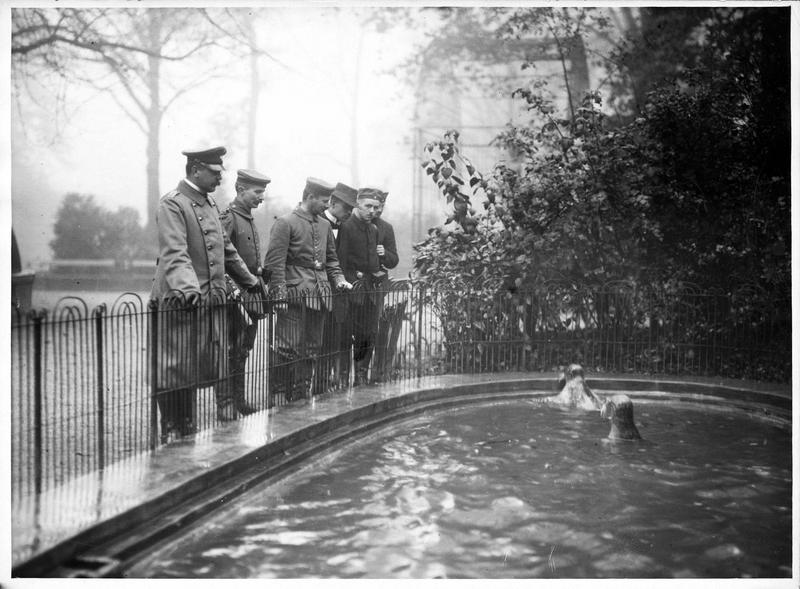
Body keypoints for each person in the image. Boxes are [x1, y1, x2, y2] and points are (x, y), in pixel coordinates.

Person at [150, 146, 259, 441]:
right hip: (180, 302)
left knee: (200, 365)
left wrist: (250, 281)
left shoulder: (209, 204)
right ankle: (174, 431)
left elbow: (226, 249)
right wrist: (188, 291)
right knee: (175, 367)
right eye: (214, 173)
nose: (219, 179)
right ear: (195, 169)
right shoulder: (172, 205)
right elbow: (175, 253)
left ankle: (186, 429)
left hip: (208, 302)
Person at [263, 177, 352, 402]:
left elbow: (331, 260)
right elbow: (275, 264)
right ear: (310, 197)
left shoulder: (324, 225)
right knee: (286, 348)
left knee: (312, 349)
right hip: (293, 297)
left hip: (320, 297)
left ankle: (300, 397)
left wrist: (339, 279)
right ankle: (279, 397)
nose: (326, 205)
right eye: (323, 200)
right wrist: (280, 296)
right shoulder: (286, 222)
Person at [218, 168, 271, 418]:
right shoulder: (229, 218)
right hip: (235, 297)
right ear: (240, 190)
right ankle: (227, 404)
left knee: (243, 350)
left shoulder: (246, 217)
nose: (261, 197)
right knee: (232, 350)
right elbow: (219, 259)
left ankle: (238, 400)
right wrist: (232, 289)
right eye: (257, 192)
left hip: (251, 295)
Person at [336, 187, 384, 385]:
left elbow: (374, 263)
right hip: (351, 292)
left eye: (375, 207)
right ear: (358, 204)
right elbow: (340, 260)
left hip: (369, 293)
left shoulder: (373, 229)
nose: (372, 211)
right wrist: (350, 282)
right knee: (346, 337)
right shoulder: (346, 227)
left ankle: (361, 376)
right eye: (368, 206)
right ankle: (343, 378)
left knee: (367, 335)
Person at [316, 182, 358, 394]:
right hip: (318, 292)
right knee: (317, 343)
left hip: (339, 295)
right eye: (346, 208)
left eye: (352, 209)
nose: (350, 212)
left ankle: (326, 386)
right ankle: (315, 388)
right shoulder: (317, 222)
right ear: (332, 203)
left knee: (334, 341)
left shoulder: (347, 227)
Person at [369, 188, 404, 382]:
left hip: (379, 287)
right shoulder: (354, 224)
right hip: (358, 285)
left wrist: (385, 254)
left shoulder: (386, 228)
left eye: (381, 206)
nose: (377, 210)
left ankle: (378, 373)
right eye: (374, 205)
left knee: (381, 331)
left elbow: (394, 260)